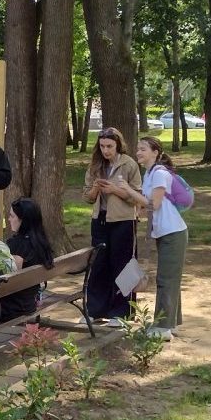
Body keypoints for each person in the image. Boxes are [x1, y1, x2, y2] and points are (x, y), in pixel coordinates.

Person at [82, 127, 142, 326]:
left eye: (109, 146)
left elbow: (137, 198)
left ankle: (122, 313)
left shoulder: (129, 164)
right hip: (100, 220)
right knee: (99, 265)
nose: (106, 151)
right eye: (102, 146)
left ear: (118, 145)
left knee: (122, 264)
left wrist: (115, 190)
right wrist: (96, 189)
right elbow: (87, 198)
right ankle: (95, 310)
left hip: (123, 221)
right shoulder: (95, 165)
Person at [135, 136, 188, 341]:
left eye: (143, 149)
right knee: (169, 278)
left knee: (166, 279)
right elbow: (152, 206)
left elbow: (154, 204)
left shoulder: (159, 173)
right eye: (138, 149)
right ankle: (171, 322)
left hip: (173, 232)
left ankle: (163, 328)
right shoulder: (148, 173)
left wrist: (128, 191)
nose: (139, 152)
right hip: (163, 231)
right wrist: (139, 211)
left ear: (155, 153)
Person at [0, 198, 55, 323]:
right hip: (29, 303)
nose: (9, 219)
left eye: (12, 216)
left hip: (12, 309)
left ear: (23, 219)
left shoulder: (17, 245)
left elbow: (10, 280)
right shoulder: (41, 243)